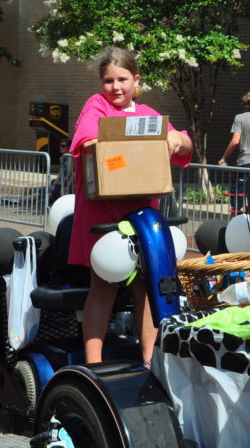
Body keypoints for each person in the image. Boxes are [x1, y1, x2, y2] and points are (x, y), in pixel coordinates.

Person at [69, 47, 193, 367]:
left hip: (141, 216)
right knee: (104, 287)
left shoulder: (149, 115)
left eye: (122, 79)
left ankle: (150, 359)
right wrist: (125, 150)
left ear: (135, 79)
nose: (116, 87)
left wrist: (176, 141)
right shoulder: (95, 106)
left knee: (146, 287)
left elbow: (183, 145)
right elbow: (86, 142)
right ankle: (94, 364)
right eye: (108, 81)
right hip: (103, 216)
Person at [218, 90, 250, 167]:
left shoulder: (239, 118)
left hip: (245, 161)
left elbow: (235, 141)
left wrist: (224, 157)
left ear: (245, 103)